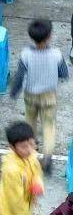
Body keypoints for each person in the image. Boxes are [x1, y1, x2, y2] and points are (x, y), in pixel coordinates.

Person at [10, 19, 68, 173]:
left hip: (31, 96)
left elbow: (19, 77)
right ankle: (47, 157)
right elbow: (64, 74)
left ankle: (31, 156)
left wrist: (14, 92)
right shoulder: (57, 54)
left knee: (30, 124)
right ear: (49, 36)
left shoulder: (26, 54)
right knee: (49, 126)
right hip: (49, 96)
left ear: (31, 37)